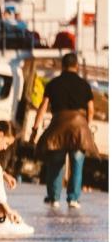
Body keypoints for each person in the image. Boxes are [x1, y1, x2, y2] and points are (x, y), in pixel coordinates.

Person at [31, 52, 97, 209]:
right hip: (79, 126)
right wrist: (86, 127)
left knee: (56, 163)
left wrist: (35, 127)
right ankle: (73, 198)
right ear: (77, 66)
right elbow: (91, 110)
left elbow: (43, 106)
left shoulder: (53, 83)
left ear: (62, 66)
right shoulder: (84, 84)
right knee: (77, 163)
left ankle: (54, 198)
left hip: (58, 124)